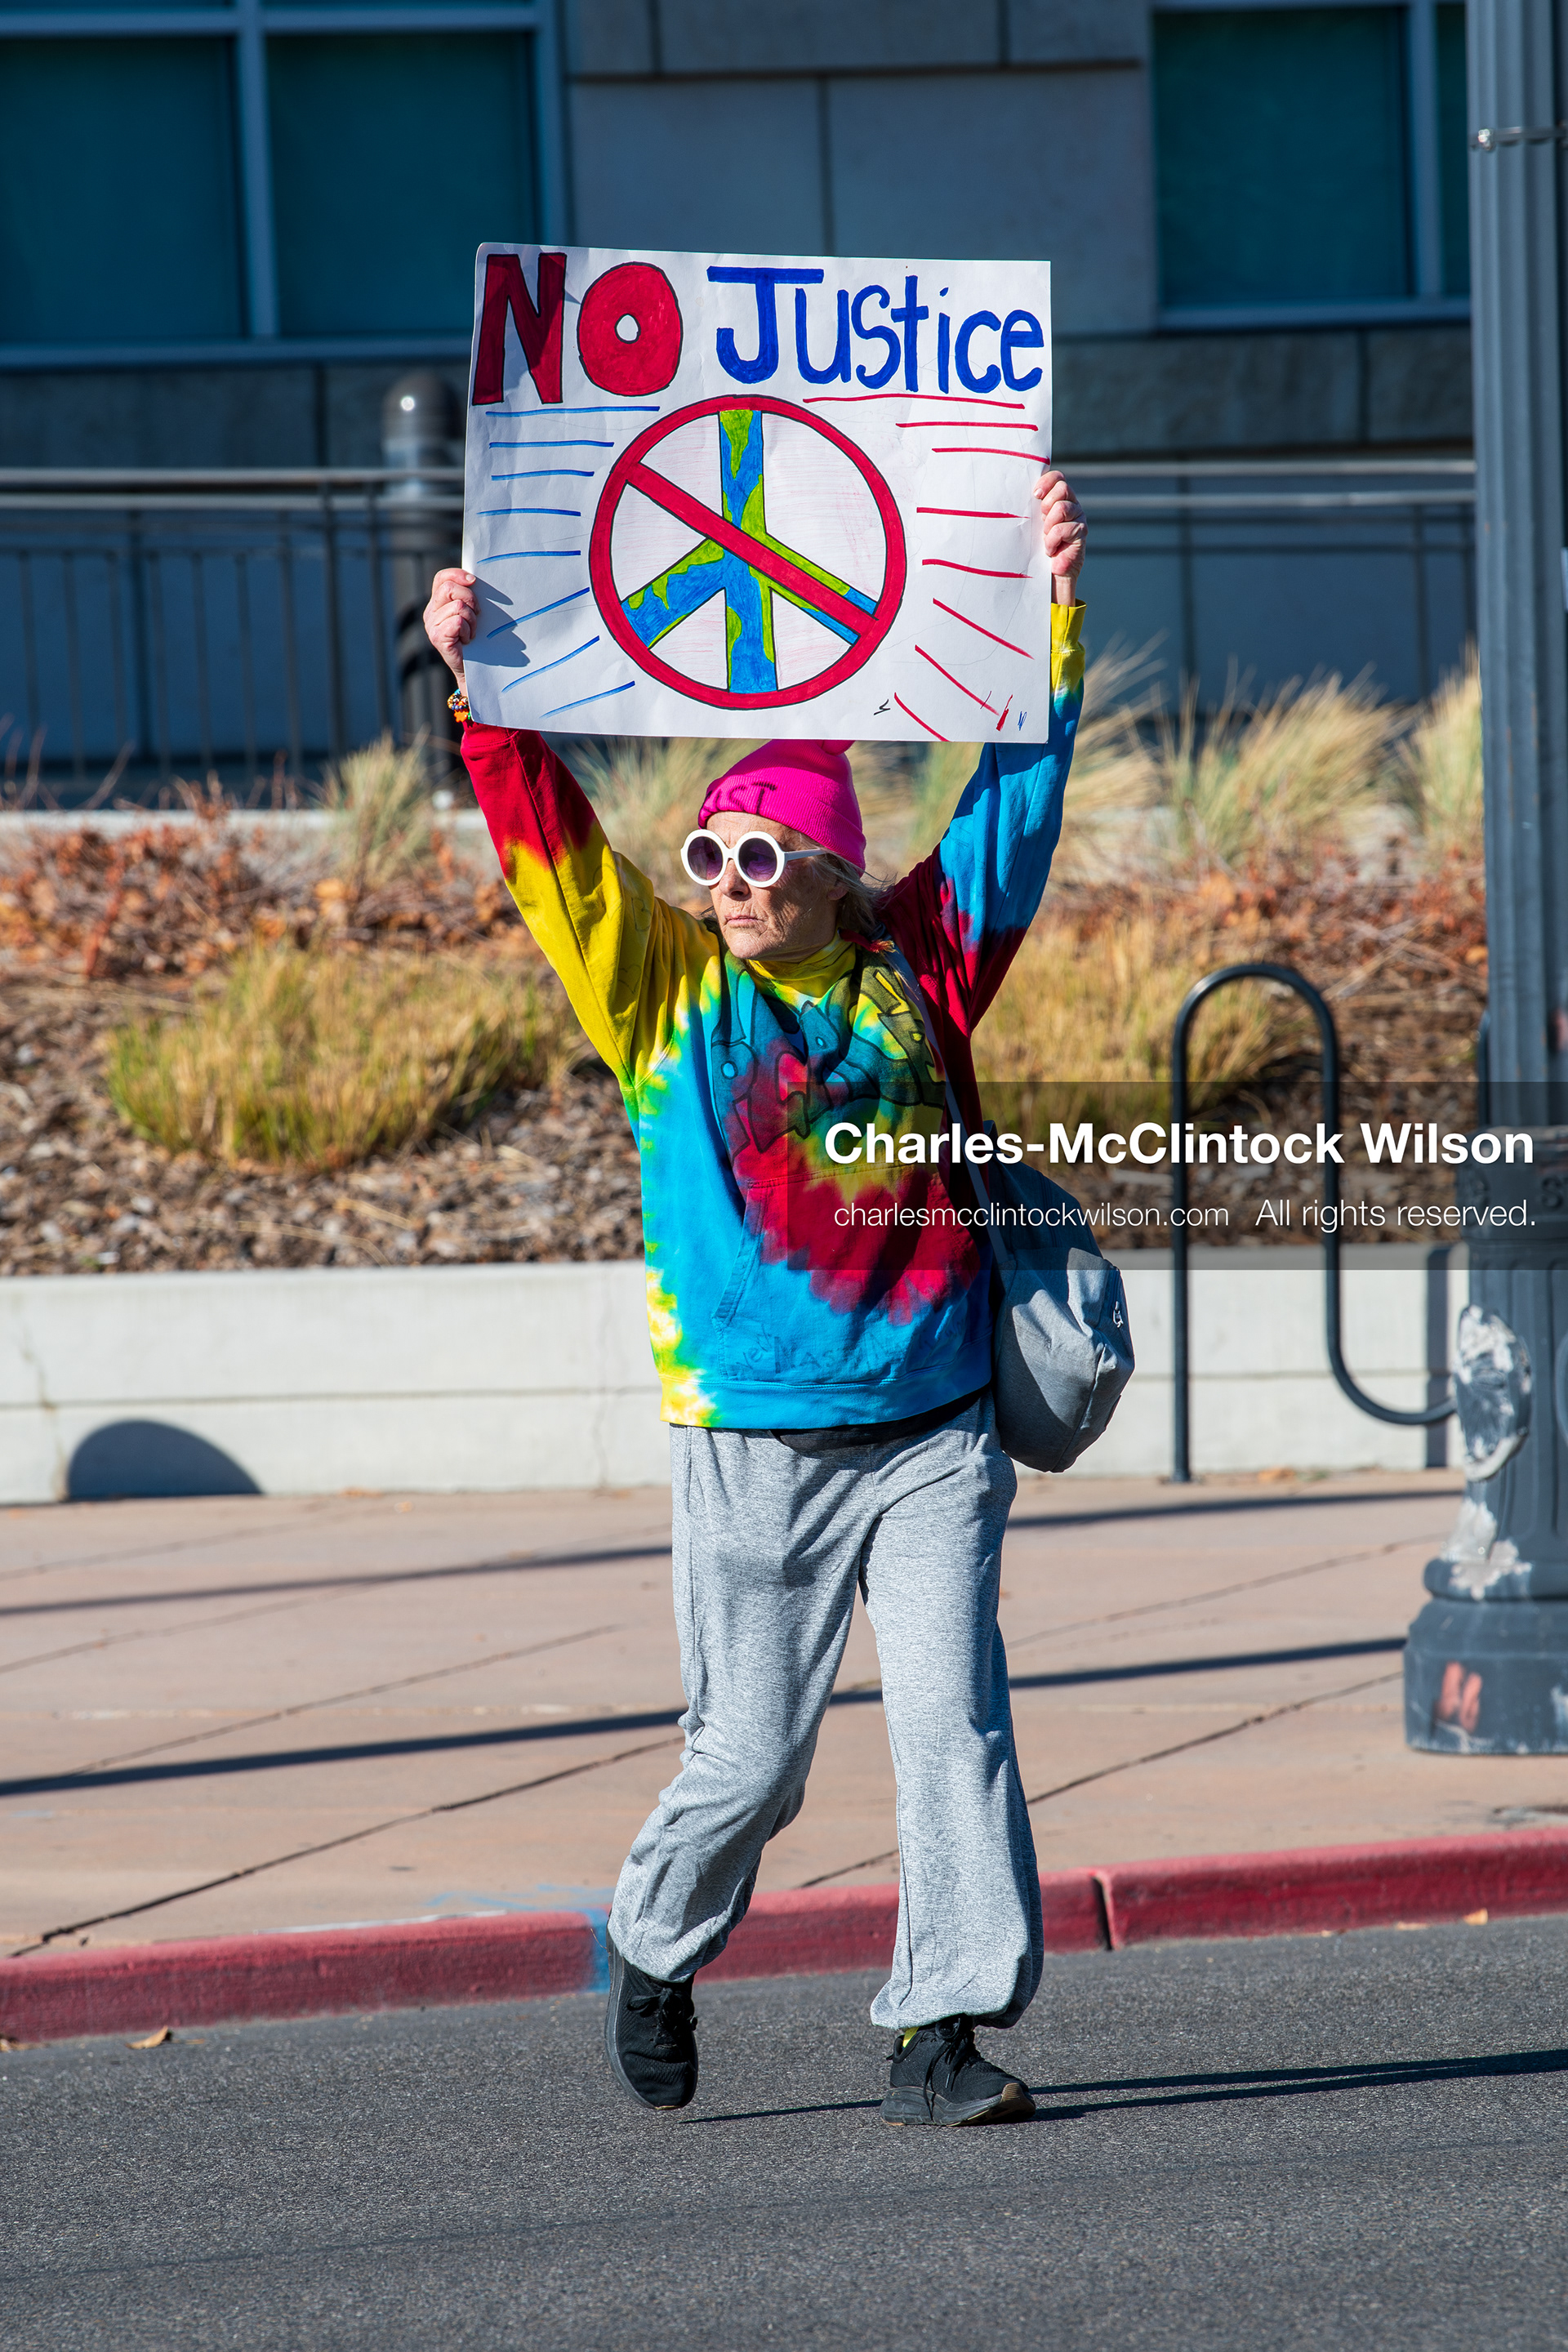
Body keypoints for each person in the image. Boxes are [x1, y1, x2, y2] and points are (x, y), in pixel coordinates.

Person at [423, 469, 1087, 2127]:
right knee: (752, 1761)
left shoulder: (920, 966)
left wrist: (1049, 611)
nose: (720, 876)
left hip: (933, 1428)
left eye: (754, 850)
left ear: (832, 866)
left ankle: (940, 2033)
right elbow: (553, 858)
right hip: (752, 1442)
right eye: (708, 850)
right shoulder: (661, 993)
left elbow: (1018, 794)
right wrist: (483, 691)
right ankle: (655, 1941)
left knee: (955, 1738)